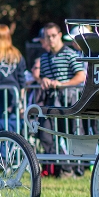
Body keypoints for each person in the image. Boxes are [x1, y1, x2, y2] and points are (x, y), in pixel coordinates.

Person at [31, 22, 86, 177]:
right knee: (46, 134)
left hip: (69, 101)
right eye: (48, 37)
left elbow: (81, 76)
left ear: (60, 35)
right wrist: (43, 81)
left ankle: (76, 168)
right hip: (51, 101)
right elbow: (42, 78)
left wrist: (62, 84)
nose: (51, 39)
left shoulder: (69, 54)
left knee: (72, 135)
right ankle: (63, 166)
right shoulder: (44, 57)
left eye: (53, 36)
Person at [0, 24, 27, 134]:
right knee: (12, 128)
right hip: (14, 96)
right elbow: (22, 81)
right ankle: (10, 150)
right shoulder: (17, 55)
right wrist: (21, 100)